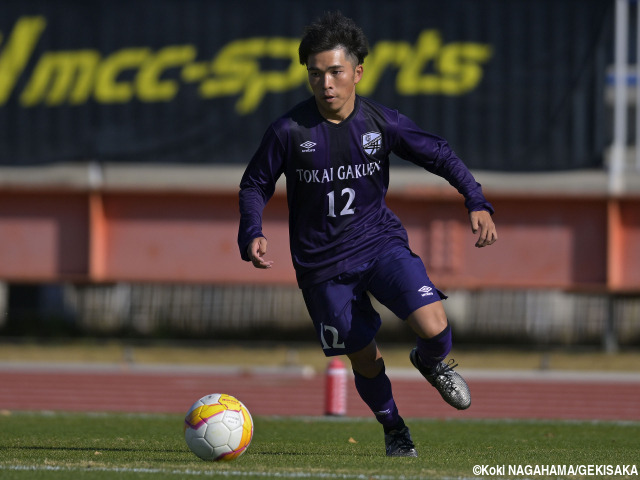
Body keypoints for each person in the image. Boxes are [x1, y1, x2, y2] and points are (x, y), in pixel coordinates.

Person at [238, 11, 497, 457]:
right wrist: (252, 231)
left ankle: (429, 362)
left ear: (357, 72)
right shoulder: (288, 131)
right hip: (321, 267)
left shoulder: (382, 122)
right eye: (315, 75)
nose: (326, 84)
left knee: (434, 326)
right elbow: (255, 183)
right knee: (364, 357)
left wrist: (476, 200)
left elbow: (439, 153)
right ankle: (395, 429)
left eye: (336, 72)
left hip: (379, 244)